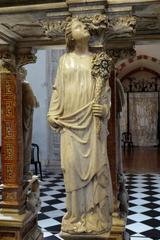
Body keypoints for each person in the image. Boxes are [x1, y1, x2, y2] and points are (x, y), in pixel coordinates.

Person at [48, 18, 112, 235]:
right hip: (70, 124)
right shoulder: (64, 60)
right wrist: (52, 112)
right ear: (70, 36)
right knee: (72, 170)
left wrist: (104, 110)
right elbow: (58, 89)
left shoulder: (97, 60)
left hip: (91, 124)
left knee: (96, 171)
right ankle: (75, 217)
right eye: (78, 26)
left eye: (85, 26)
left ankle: (94, 216)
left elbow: (105, 94)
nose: (84, 27)